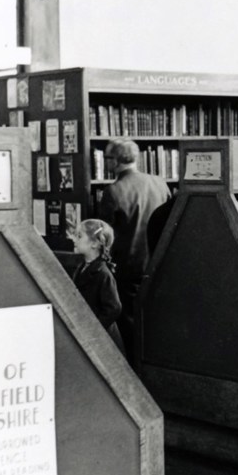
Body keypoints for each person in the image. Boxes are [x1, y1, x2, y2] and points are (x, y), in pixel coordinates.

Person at [98, 137, 172, 355]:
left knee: (129, 328)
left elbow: (105, 235)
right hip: (158, 264)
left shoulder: (113, 191)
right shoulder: (159, 182)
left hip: (128, 268)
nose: (106, 163)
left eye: (107, 158)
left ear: (116, 161)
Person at [71, 218, 125, 353]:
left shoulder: (103, 274)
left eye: (79, 236)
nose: (73, 239)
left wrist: (95, 329)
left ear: (94, 243)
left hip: (104, 338)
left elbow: (114, 308)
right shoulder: (82, 267)